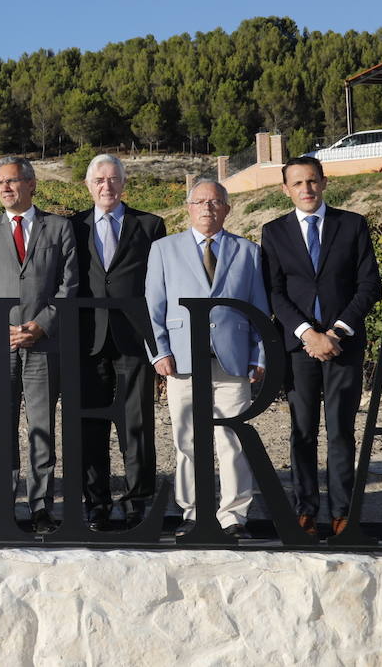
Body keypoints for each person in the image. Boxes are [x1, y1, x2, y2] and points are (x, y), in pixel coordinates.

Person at [261, 156, 381, 539]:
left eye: (312, 181)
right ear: (285, 190)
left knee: (341, 430)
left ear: (324, 183)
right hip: (299, 349)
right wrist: (307, 334)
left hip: (343, 345)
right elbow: (274, 291)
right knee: (302, 431)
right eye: (297, 184)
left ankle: (343, 513)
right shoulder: (273, 231)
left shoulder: (352, 225)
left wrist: (336, 332)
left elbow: (369, 286)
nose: (306, 189)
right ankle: (305, 511)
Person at [146, 178, 268, 540]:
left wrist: (259, 355)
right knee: (187, 440)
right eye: (200, 202)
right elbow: (153, 307)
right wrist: (160, 352)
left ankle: (233, 516)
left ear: (227, 209)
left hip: (233, 361)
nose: (207, 208)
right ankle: (192, 512)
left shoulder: (248, 252)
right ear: (188, 208)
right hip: (182, 362)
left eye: (215, 202)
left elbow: (259, 309)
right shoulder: (164, 250)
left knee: (233, 439)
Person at [0, 156, 79, 534]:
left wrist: (42, 325)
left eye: (12, 181)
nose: (5, 188)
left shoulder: (59, 228)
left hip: (44, 344)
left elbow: (69, 286)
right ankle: (2, 508)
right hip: (0, 347)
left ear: (31, 184)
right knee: (2, 429)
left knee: (42, 428)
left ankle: (41, 508)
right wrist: (2, 328)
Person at [71, 154, 166, 530]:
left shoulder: (150, 225)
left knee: (137, 425)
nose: (106, 186)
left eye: (113, 179)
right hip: (86, 339)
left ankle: (136, 500)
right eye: (99, 180)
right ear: (88, 185)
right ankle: (95, 502)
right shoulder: (72, 226)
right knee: (89, 426)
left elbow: (159, 285)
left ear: (124, 184)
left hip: (133, 339)